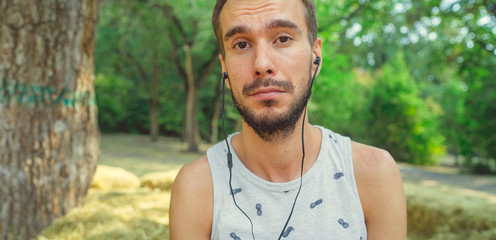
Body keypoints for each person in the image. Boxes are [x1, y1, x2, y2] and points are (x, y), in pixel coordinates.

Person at [169, 0, 407, 239]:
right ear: (225, 70)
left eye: (282, 39)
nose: (262, 64)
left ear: (316, 57)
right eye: (241, 44)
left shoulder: (373, 174)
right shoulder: (197, 187)